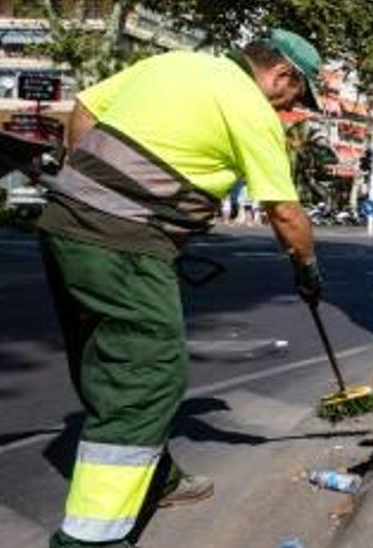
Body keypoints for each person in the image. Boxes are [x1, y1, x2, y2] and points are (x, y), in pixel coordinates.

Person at [35, 30, 325, 548]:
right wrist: (306, 269)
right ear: (282, 76)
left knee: (109, 364)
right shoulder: (253, 112)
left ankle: (154, 480)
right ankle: (89, 539)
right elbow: (285, 213)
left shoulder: (177, 64)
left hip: (65, 225)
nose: (292, 108)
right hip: (123, 244)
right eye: (297, 97)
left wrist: (93, 189)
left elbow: (85, 107)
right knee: (147, 376)